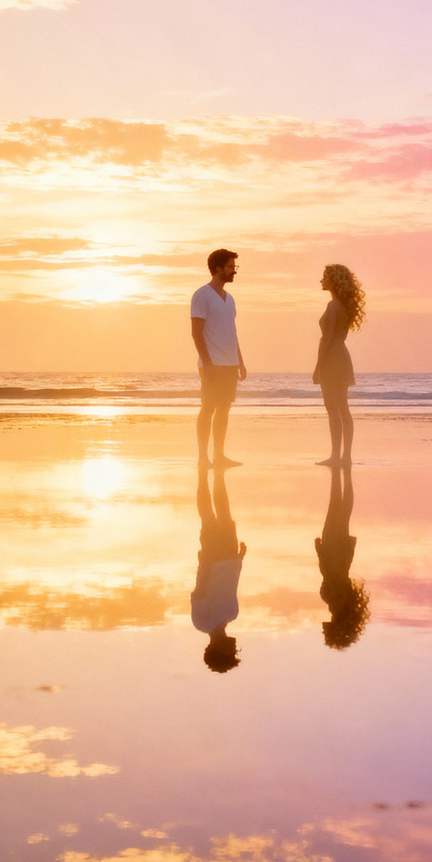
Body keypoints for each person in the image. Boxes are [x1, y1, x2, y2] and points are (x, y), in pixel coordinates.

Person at [191, 248, 246, 468]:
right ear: (218, 268)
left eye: (234, 267)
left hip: (230, 364)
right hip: (212, 364)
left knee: (224, 410)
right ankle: (203, 458)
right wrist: (207, 363)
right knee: (208, 407)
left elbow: (232, 332)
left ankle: (219, 456)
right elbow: (196, 332)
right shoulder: (202, 295)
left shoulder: (229, 299)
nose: (234, 271)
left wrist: (240, 362)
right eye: (230, 267)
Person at [191, 466, 245, 672]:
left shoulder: (202, 623)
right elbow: (232, 585)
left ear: (216, 649)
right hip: (230, 556)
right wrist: (240, 559)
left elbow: (200, 591)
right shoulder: (232, 614)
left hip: (213, 559)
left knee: (207, 516)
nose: (234, 649)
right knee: (224, 512)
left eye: (230, 653)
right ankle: (219, 475)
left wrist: (204, 563)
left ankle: (203, 474)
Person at [312, 263, 365, 467]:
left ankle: (336, 456)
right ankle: (345, 456)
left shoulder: (333, 306)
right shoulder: (342, 306)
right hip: (340, 356)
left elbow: (327, 338)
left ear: (333, 281)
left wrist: (318, 366)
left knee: (333, 409)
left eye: (324, 276)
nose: (321, 280)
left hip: (332, 359)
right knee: (342, 408)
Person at [316, 464, 368, 649]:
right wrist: (319, 550)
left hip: (343, 557)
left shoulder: (346, 604)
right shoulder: (334, 600)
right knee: (336, 509)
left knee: (343, 514)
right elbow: (328, 573)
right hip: (333, 554)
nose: (323, 629)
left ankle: (345, 474)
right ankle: (339, 472)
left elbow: (333, 575)